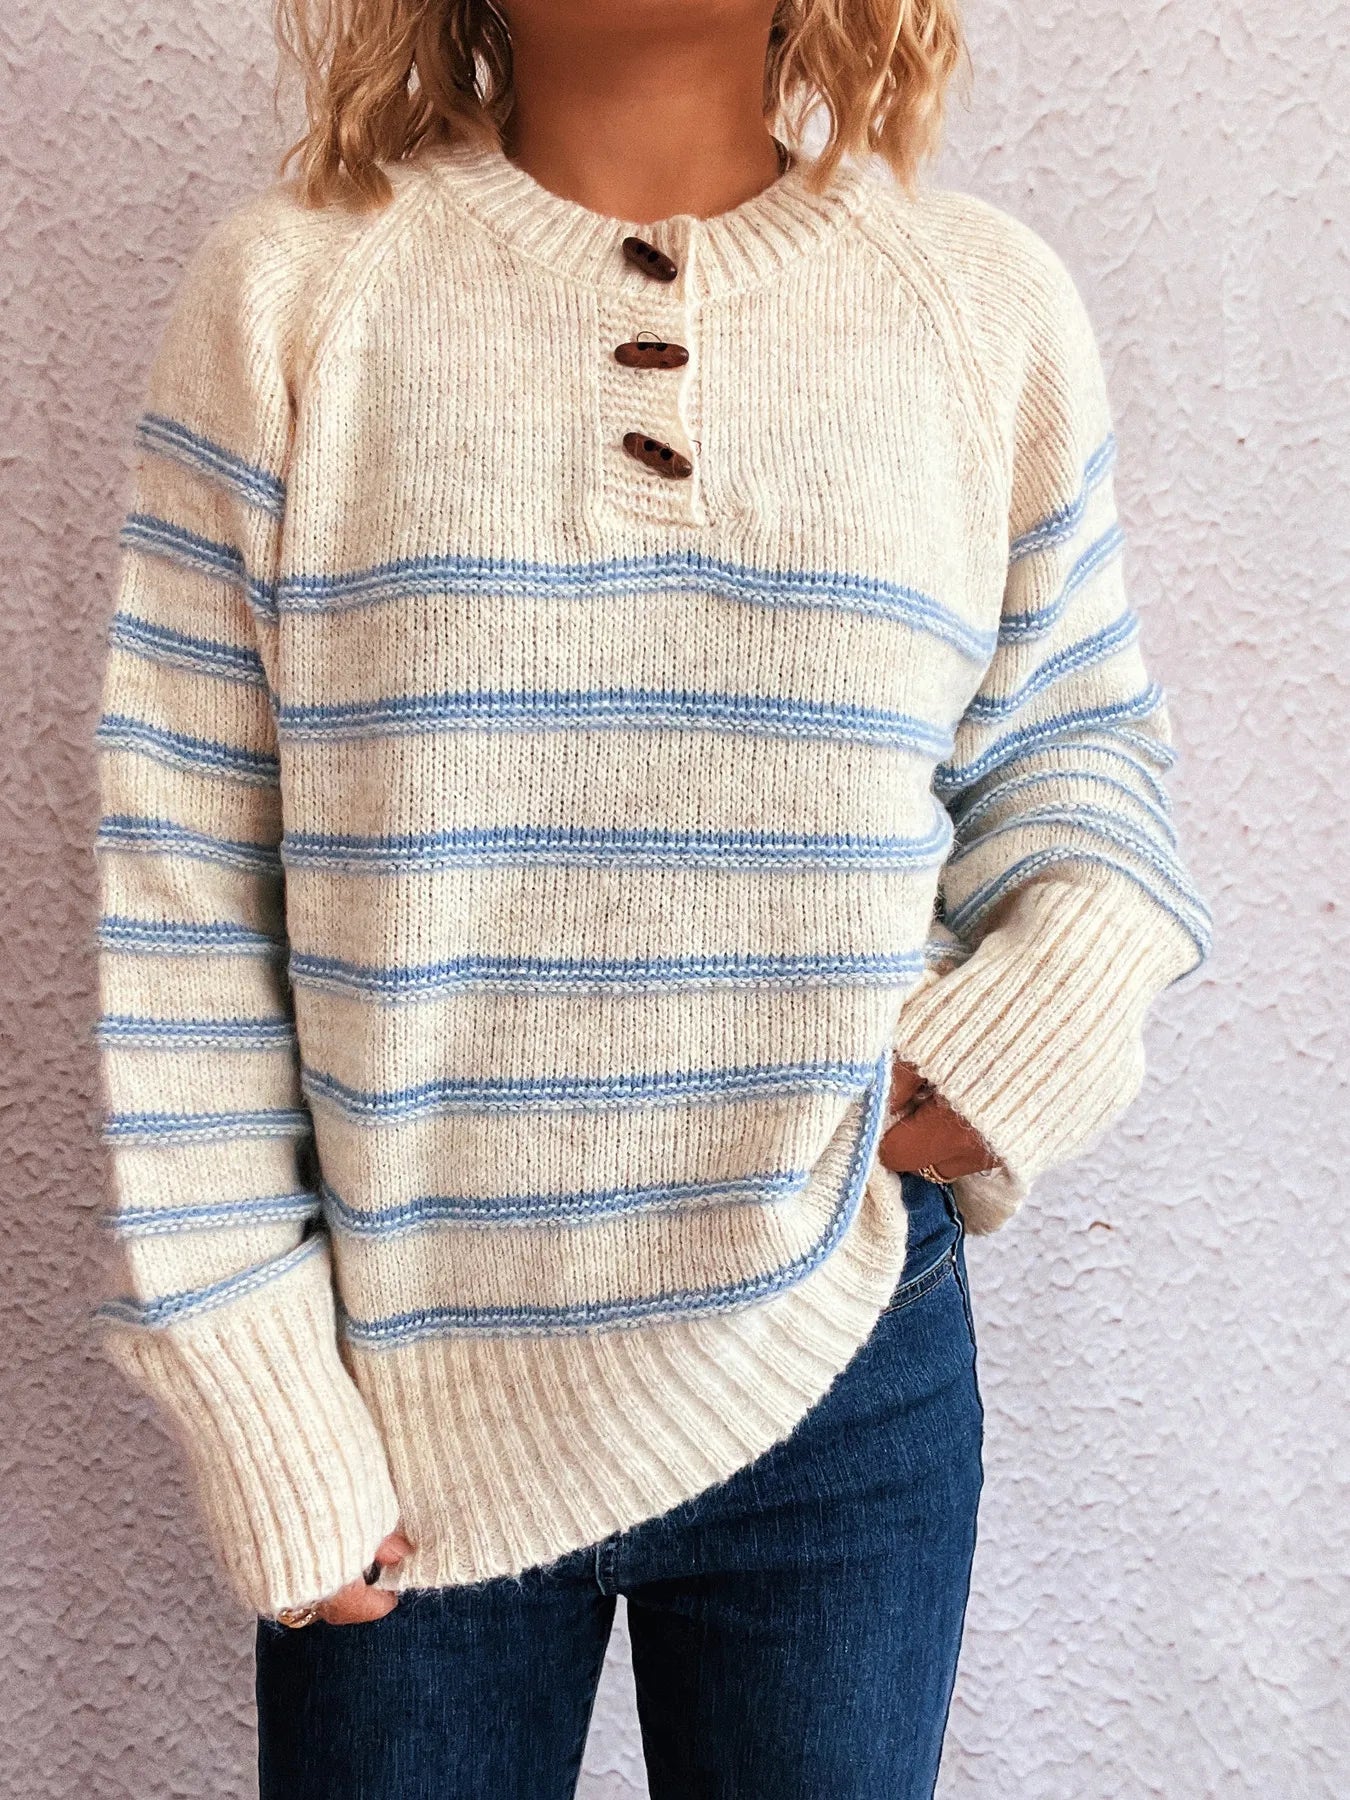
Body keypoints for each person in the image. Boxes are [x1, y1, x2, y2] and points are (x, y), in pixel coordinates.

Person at [89, 0, 1211, 1793]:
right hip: (400, 1411)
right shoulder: (294, 294)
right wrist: (256, 1388)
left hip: (840, 1357)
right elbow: (188, 888)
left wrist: (1020, 1039)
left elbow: (1077, 751)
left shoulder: (977, 308)